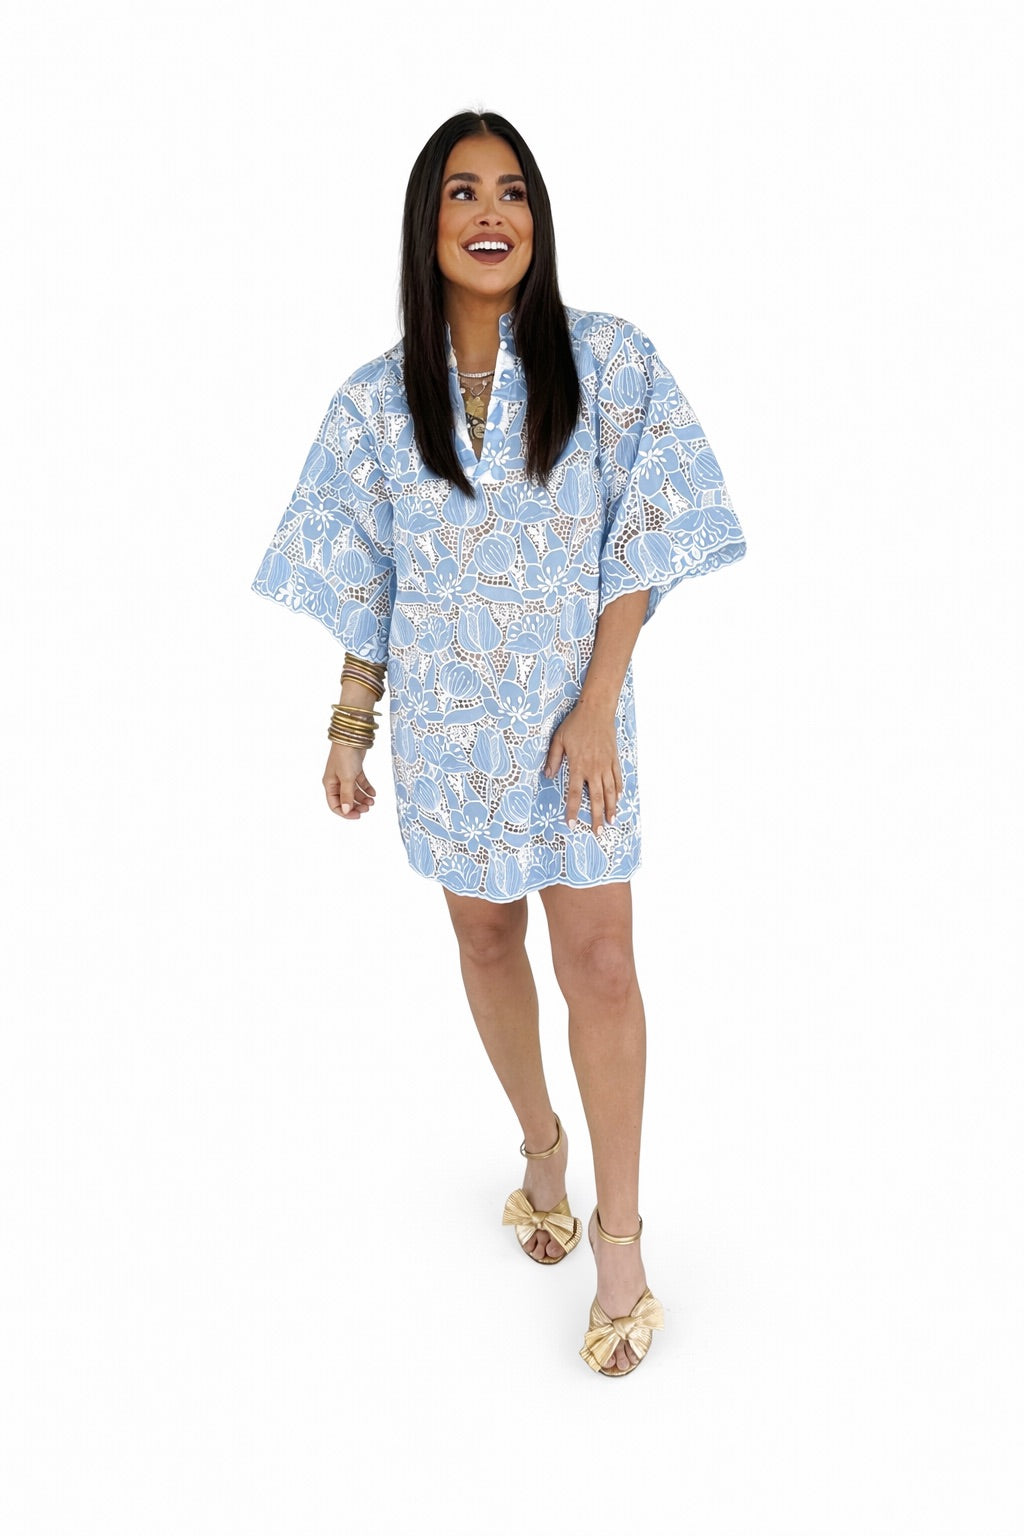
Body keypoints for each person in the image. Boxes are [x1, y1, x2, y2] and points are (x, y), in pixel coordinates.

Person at [251, 110, 746, 1377]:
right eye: (463, 191)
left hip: (578, 730)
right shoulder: (375, 403)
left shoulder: (608, 360)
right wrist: (351, 725)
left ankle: (620, 1244)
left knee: (604, 965)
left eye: (513, 191)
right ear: (427, 222)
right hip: (448, 733)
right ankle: (540, 1149)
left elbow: (644, 536)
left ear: (538, 219)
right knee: (483, 938)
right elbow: (369, 579)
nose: (491, 213)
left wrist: (598, 701)